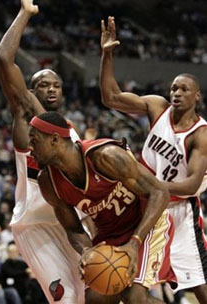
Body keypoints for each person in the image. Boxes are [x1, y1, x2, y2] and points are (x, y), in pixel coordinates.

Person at [99, 16, 207, 303]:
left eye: (184, 89)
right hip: (144, 207)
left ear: (197, 97)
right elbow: (111, 97)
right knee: (131, 290)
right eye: (173, 88)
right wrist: (107, 54)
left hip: (179, 212)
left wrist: (149, 184)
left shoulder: (200, 134)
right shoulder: (156, 107)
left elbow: (192, 183)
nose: (176, 93)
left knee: (201, 287)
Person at [0, 0, 92, 303]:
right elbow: (3, 59)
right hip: (36, 226)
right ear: (31, 92)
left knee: (97, 294)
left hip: (71, 224)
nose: (51, 89)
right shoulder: (28, 121)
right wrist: (25, 13)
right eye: (43, 85)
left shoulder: (70, 131)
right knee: (65, 299)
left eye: (57, 85)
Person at [28, 111, 177, 304]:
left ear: (54, 139)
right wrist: (87, 251)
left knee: (134, 298)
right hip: (110, 235)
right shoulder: (48, 182)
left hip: (146, 224)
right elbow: (73, 228)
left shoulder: (105, 156)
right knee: (97, 298)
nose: (29, 147)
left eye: (34, 140)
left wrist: (135, 242)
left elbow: (160, 193)